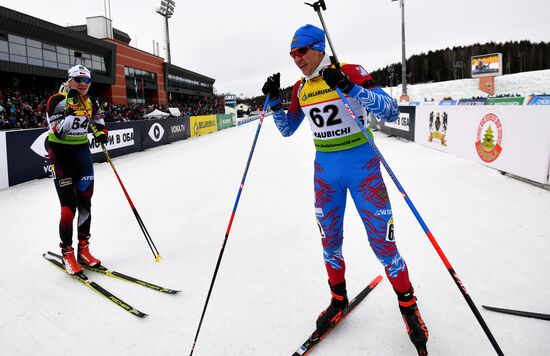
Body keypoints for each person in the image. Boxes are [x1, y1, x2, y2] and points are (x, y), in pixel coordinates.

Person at [261, 24, 429, 355]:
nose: (297, 59)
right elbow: (286, 130)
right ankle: (338, 300)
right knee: (330, 241)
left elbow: (391, 110)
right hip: (325, 172)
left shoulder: (349, 71)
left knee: (383, 245)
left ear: (319, 48)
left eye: (302, 51)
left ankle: (409, 307)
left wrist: (352, 88)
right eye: (292, 54)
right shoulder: (299, 88)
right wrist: (273, 102)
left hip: (363, 168)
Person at [46, 64, 109, 274]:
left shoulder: (91, 102)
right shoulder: (57, 100)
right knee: (68, 208)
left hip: (82, 154)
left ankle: (84, 248)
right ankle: (67, 252)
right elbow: (57, 130)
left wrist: (101, 133)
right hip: (62, 154)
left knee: (85, 203)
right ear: (70, 80)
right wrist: (72, 111)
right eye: (78, 79)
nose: (83, 84)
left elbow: (99, 121)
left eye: (87, 80)